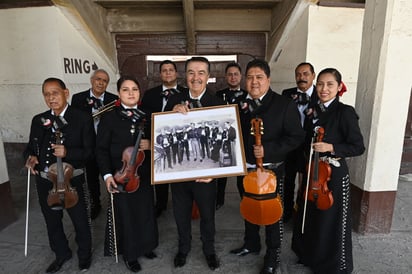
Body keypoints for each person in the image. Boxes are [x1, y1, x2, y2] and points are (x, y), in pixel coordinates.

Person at [230, 59, 305, 274]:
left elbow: (296, 136)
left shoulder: (284, 104)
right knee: (249, 207)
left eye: (259, 77)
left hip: (272, 170)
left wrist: (269, 150)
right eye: (250, 77)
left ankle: (273, 255)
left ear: (268, 80)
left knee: (273, 214)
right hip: (245, 169)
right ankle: (251, 244)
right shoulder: (238, 106)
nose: (254, 82)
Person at [292, 68, 365, 274]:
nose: (324, 89)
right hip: (313, 170)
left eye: (330, 84)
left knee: (330, 220)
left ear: (339, 87)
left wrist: (332, 147)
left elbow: (358, 147)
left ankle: (332, 265)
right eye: (321, 84)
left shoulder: (345, 112)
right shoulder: (313, 109)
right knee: (311, 216)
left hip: (332, 174)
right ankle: (310, 256)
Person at [24, 77, 94, 273]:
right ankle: (61, 254)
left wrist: (68, 153)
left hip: (71, 179)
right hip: (46, 180)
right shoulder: (39, 120)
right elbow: (30, 148)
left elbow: (90, 152)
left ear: (66, 93)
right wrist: (30, 158)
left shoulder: (81, 118)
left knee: (80, 220)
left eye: (55, 93)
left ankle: (85, 255)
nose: (50, 98)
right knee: (52, 221)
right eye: (46, 94)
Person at [164, 56, 224, 271]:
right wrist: (170, 115)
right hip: (179, 173)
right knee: (181, 215)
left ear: (208, 76)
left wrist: (215, 173)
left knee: (208, 216)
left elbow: (224, 144)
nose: (195, 77)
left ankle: (209, 250)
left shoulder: (218, 103)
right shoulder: (174, 101)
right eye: (191, 72)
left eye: (201, 73)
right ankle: (184, 248)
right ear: (185, 76)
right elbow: (163, 133)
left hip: (206, 175)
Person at [96, 75, 158, 272]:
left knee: (145, 210)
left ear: (140, 93)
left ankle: (147, 246)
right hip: (120, 174)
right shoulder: (110, 117)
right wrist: (107, 176)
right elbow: (101, 150)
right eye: (125, 89)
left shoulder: (148, 115)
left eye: (134, 89)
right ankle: (130, 254)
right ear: (119, 93)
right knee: (126, 215)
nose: (131, 93)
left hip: (143, 174)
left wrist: (152, 144)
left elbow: (164, 141)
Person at [141, 60, 187, 217]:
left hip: (178, 140)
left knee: (178, 169)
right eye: (164, 70)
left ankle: (182, 204)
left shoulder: (185, 93)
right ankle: (160, 204)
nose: (168, 73)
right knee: (160, 172)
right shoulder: (149, 94)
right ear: (160, 74)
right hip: (157, 140)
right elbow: (144, 118)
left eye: (171, 70)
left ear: (176, 73)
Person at [71, 69, 118, 219]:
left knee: (111, 174)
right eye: (98, 79)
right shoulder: (78, 98)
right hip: (88, 145)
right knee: (91, 177)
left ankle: (115, 203)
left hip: (107, 146)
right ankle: (95, 203)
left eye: (104, 81)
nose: (101, 83)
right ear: (92, 80)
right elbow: (75, 123)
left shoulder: (114, 99)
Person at [281, 62, 318, 222]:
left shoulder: (321, 94)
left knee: (306, 181)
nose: (301, 78)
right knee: (287, 180)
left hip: (310, 146)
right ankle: (286, 212)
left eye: (305, 74)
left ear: (313, 76)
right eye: (298, 74)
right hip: (289, 145)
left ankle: (302, 212)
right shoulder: (286, 93)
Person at [215, 62, 247, 210]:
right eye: (230, 74)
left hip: (243, 139)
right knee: (222, 170)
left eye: (236, 74)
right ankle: (218, 200)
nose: (233, 77)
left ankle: (244, 199)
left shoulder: (248, 95)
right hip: (224, 137)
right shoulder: (218, 95)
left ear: (240, 76)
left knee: (242, 173)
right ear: (226, 77)